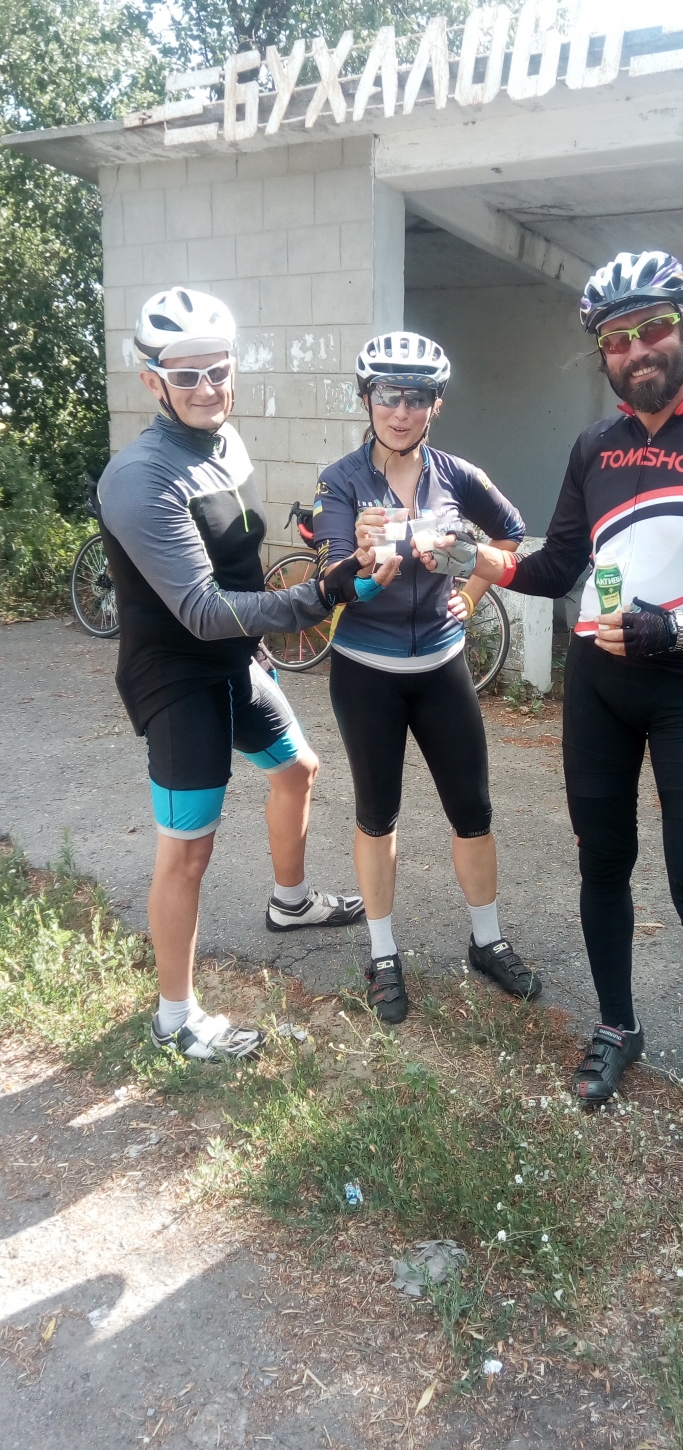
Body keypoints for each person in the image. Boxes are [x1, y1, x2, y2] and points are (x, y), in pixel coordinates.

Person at [461, 252, 683, 1175]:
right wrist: (472, 558)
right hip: (598, 687)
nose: (636, 350)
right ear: (604, 356)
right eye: (615, 340)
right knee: (602, 866)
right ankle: (618, 1026)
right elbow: (557, 565)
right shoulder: (594, 447)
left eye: (653, 328)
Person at [97, 287, 389, 1061]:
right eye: (185, 375)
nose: (207, 388)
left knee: (297, 768)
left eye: (218, 370)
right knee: (188, 850)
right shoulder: (140, 477)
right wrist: (321, 595)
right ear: (152, 381)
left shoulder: (225, 444)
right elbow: (199, 607)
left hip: (234, 657)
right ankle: (175, 1018)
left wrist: (288, 606)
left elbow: (238, 563)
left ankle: (290, 903)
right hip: (176, 678)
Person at [312, 331, 541, 1023]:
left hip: (441, 668)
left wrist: (469, 588)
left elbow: (511, 535)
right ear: (366, 398)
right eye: (388, 395)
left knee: (473, 811)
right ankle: (383, 954)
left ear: (436, 404)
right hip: (367, 672)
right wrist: (359, 557)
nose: (401, 411)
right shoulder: (340, 481)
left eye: (416, 398)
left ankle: (487, 940)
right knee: (376, 814)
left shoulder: (458, 475)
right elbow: (330, 578)